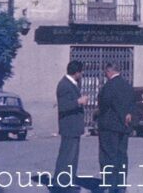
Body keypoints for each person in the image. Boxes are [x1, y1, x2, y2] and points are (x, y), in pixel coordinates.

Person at [97, 63, 134, 193]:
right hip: (124, 127)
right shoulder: (128, 86)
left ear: (109, 71)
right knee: (122, 156)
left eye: (105, 73)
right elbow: (132, 105)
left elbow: (103, 104)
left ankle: (109, 185)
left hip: (109, 127)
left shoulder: (108, 86)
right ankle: (121, 185)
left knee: (108, 156)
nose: (105, 75)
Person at [53, 60, 88, 191]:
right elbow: (63, 106)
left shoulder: (71, 84)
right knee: (67, 157)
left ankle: (68, 182)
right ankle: (61, 184)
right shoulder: (64, 85)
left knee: (72, 158)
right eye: (81, 71)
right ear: (76, 72)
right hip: (69, 127)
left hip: (74, 127)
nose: (82, 73)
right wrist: (78, 101)